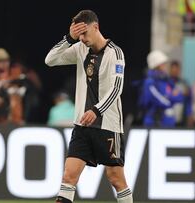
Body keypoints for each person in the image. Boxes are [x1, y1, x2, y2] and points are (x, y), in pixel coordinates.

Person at [45, 10, 133, 203]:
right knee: (68, 177)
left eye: (84, 33)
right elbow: (50, 60)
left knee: (116, 179)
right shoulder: (79, 49)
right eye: (79, 35)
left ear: (96, 27)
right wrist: (69, 38)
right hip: (82, 126)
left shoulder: (115, 53)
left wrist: (96, 110)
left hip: (108, 126)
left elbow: (116, 88)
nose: (82, 39)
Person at [139, 51, 184, 127]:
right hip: (154, 121)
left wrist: (168, 97)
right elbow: (159, 101)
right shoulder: (149, 82)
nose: (165, 66)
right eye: (163, 63)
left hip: (168, 121)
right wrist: (171, 98)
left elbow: (180, 97)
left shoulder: (166, 79)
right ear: (156, 65)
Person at [169, 60, 193, 127]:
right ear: (170, 70)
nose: (175, 71)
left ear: (179, 70)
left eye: (176, 69)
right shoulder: (165, 83)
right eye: (173, 69)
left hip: (181, 118)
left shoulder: (184, 84)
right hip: (168, 118)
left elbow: (188, 101)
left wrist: (189, 114)